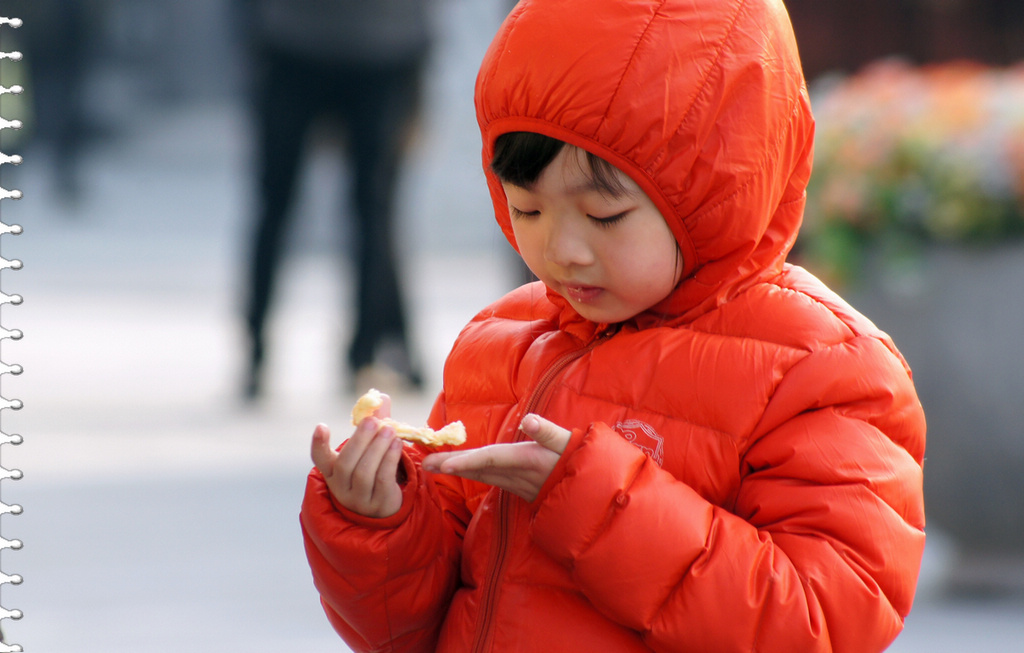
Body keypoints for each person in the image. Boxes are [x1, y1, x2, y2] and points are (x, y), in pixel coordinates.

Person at [300, 0, 927, 651]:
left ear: (715, 187)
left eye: (604, 216)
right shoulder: (500, 345)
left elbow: (822, 623)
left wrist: (600, 503)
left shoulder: (823, 369)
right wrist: (381, 521)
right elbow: (417, 627)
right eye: (529, 208)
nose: (562, 248)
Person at [240, 0, 432, 399]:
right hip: (369, 43)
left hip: (341, 43)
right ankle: (357, 353)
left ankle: (264, 349)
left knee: (285, 206)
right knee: (369, 211)